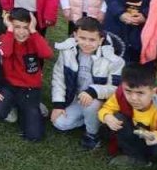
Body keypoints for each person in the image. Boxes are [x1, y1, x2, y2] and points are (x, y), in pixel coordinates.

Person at [50, 16, 126, 150]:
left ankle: (92, 134)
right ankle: (92, 121)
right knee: (59, 123)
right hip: (76, 97)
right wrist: (58, 104)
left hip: (99, 101)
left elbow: (116, 88)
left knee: (90, 105)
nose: (86, 43)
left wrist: (93, 91)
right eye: (83, 38)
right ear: (75, 35)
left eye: (92, 40)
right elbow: (58, 78)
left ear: (100, 40)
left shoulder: (114, 60)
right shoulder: (67, 51)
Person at [0, 7, 53, 142]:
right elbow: (5, 52)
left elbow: (47, 54)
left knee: (34, 135)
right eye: (17, 27)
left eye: (25, 27)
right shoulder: (5, 37)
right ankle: (14, 104)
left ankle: (33, 106)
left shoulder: (34, 39)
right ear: (10, 25)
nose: (22, 32)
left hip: (30, 88)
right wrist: (10, 30)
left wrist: (34, 31)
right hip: (9, 86)